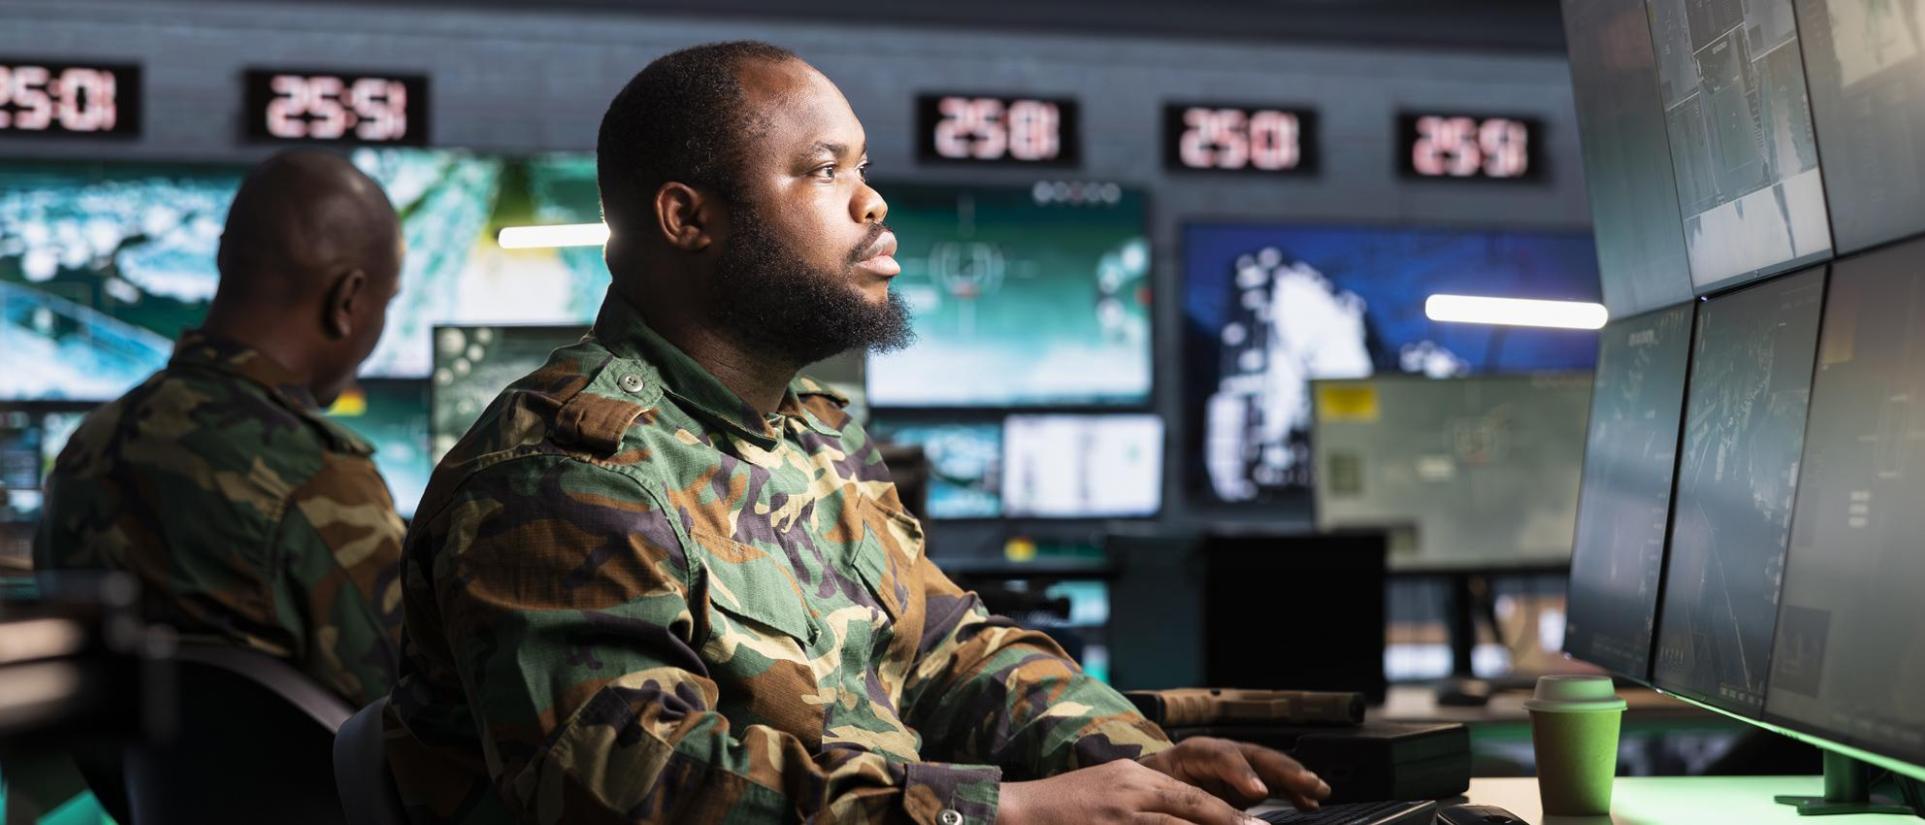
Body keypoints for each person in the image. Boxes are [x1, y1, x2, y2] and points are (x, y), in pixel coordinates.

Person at [384, 41, 1330, 824]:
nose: (871, 203)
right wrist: (1004, 812)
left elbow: (951, 654)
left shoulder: (815, 439)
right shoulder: (560, 474)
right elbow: (633, 786)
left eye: (862, 167)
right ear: (687, 218)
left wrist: (1141, 763)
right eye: (822, 170)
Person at [34, 149, 408, 707]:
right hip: (311, 794)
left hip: (134, 797)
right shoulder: (317, 482)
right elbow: (417, 702)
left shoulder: (86, 448)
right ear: (347, 299)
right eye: (386, 302)